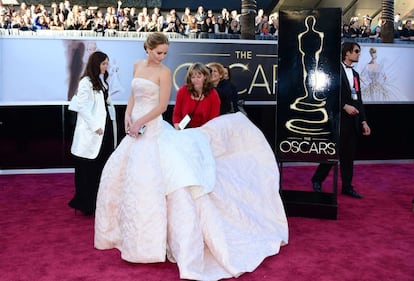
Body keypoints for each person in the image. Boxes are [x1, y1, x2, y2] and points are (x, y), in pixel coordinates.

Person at [94, 32, 288, 281]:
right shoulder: (137, 65)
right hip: (135, 127)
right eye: (158, 52)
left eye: (165, 52)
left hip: (151, 128)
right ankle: (126, 235)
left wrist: (140, 120)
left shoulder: (164, 73)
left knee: (157, 181)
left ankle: (152, 243)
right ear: (148, 48)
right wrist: (127, 115)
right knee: (121, 176)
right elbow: (134, 94)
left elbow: (162, 107)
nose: (162, 56)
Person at [311, 42, 371, 198]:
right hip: (337, 120)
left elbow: (359, 100)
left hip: (353, 121)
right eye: (356, 51)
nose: (359, 54)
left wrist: (363, 121)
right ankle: (317, 180)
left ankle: (347, 186)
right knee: (332, 153)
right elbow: (327, 94)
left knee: (348, 155)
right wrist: (344, 106)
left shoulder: (356, 75)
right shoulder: (335, 71)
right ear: (347, 53)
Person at [68, 51, 117, 216]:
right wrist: (95, 126)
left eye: (107, 63)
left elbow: (104, 102)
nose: (106, 66)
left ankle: (98, 201)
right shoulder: (86, 82)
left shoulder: (101, 81)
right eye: (104, 63)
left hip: (104, 131)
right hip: (94, 131)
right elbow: (82, 107)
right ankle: (86, 203)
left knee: (101, 167)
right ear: (96, 64)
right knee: (87, 168)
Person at [172, 62, 220, 129]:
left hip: (205, 130)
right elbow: (176, 114)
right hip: (185, 131)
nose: (195, 80)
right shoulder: (182, 91)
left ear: (205, 77)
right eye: (193, 77)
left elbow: (214, 118)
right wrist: (178, 127)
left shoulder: (213, 94)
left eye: (199, 77)